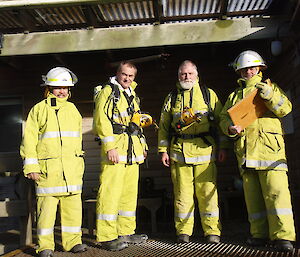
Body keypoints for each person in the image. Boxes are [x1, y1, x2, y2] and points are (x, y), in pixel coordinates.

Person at [219, 50, 296, 252]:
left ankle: (283, 237)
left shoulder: (270, 87)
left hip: (270, 151)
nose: (248, 72)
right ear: (239, 71)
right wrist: (229, 128)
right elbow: (223, 119)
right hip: (246, 153)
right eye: (244, 69)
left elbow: (285, 108)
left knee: (277, 195)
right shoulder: (234, 96)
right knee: (253, 200)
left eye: (252, 68)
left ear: (259, 68)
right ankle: (259, 235)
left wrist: (270, 96)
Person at [158, 60, 228, 244]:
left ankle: (212, 232)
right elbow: (164, 127)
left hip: (205, 152)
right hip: (178, 154)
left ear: (197, 75)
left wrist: (223, 147)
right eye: (183, 74)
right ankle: (183, 233)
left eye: (190, 73)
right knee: (182, 196)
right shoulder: (171, 97)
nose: (186, 77)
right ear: (178, 76)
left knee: (208, 195)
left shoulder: (208, 94)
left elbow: (221, 122)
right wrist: (162, 150)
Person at [20, 67, 87, 257]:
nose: (62, 91)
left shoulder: (73, 110)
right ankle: (45, 246)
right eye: (58, 87)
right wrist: (31, 166)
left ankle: (73, 242)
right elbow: (29, 140)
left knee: (73, 211)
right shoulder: (39, 110)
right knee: (46, 213)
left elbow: (76, 140)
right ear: (49, 88)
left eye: (65, 87)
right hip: (48, 173)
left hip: (71, 171)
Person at [93, 61, 148, 251]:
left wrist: (143, 146)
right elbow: (101, 119)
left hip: (132, 151)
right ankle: (107, 236)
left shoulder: (132, 94)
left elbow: (137, 121)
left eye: (131, 76)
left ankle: (126, 231)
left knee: (128, 195)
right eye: (124, 74)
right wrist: (109, 147)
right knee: (110, 193)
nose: (127, 78)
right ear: (117, 73)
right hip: (116, 150)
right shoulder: (108, 92)